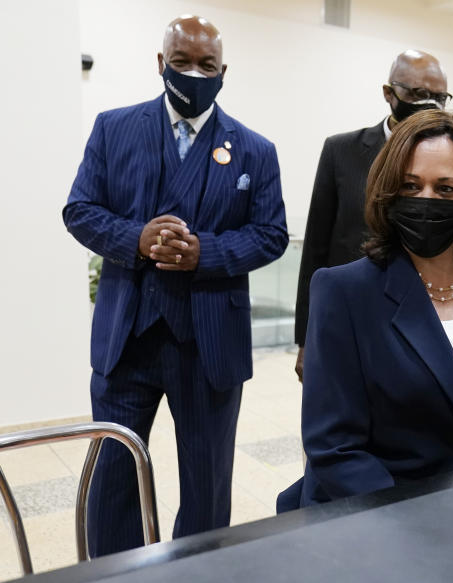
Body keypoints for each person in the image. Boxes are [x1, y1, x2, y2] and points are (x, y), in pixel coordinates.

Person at [63, 16, 288, 555]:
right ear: (161, 64)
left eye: (206, 65)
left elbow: (271, 234)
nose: (193, 73)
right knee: (113, 473)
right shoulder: (113, 128)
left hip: (207, 341)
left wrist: (204, 252)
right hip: (127, 338)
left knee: (207, 481)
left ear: (223, 72)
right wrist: (137, 238)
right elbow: (79, 211)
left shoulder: (255, 150)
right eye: (182, 62)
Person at [277, 110, 453, 510]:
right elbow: (335, 447)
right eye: (411, 185)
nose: (425, 201)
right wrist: (418, 519)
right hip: (380, 513)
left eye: (446, 188)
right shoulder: (344, 291)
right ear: (389, 192)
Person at [293, 50, 450, 381]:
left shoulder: (448, 157)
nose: (429, 104)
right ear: (389, 93)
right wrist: (306, 338)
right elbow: (316, 250)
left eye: (439, 97)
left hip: (418, 321)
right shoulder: (341, 151)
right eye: (418, 94)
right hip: (347, 317)